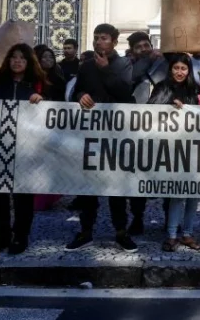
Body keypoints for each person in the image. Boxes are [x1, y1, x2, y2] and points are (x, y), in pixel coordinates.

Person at [69, 27, 137, 252]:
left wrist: (107, 71)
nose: (99, 42)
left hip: (115, 135)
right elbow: (74, 93)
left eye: (104, 39)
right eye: (96, 38)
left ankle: (121, 232)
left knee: (116, 187)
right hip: (90, 134)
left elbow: (126, 94)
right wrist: (80, 96)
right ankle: (86, 230)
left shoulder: (124, 64)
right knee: (87, 186)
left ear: (114, 42)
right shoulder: (86, 66)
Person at [0, 45, 46, 255]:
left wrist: (41, 102)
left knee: (23, 195)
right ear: (8, 61)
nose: (17, 61)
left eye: (22, 58)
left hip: (27, 147)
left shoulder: (38, 85)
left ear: (28, 63)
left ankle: (20, 237)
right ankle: (1, 237)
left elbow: (53, 111)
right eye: (13, 57)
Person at [149, 54, 200, 252]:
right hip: (172, 148)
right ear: (170, 69)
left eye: (184, 68)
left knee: (193, 195)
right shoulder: (162, 87)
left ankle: (187, 233)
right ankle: (172, 235)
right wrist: (170, 104)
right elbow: (150, 110)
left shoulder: (195, 89)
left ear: (189, 70)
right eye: (176, 68)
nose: (180, 72)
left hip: (194, 147)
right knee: (177, 193)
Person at [127, 31, 168, 104]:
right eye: (138, 47)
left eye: (146, 45)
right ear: (132, 51)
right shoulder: (127, 65)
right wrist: (148, 59)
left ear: (151, 46)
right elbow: (133, 75)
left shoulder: (162, 61)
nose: (143, 49)